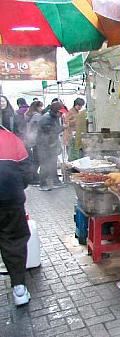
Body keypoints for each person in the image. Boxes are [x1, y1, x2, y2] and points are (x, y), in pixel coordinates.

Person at [0, 126, 31, 306]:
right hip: (11, 199)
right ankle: (19, 289)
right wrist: (17, 187)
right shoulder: (11, 139)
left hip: (11, 197)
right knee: (14, 242)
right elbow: (26, 171)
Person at [37, 101, 65, 191]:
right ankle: (43, 184)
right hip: (44, 145)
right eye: (60, 112)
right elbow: (51, 132)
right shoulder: (46, 118)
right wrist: (62, 128)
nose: (61, 114)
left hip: (51, 144)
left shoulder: (54, 117)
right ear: (56, 111)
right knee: (45, 164)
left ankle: (55, 181)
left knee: (52, 164)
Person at [25, 100, 45, 185]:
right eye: (40, 106)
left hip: (29, 139)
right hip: (36, 140)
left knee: (33, 160)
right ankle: (33, 177)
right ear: (37, 107)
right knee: (37, 160)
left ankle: (33, 176)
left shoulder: (28, 115)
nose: (41, 108)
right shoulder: (37, 116)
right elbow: (41, 128)